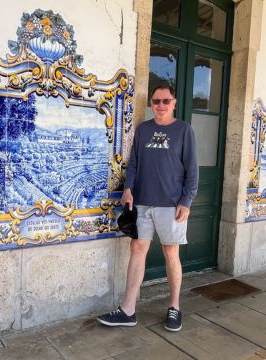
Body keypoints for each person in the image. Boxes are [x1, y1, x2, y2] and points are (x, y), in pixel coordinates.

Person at [97, 84, 198, 332]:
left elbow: (192, 170)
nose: (160, 105)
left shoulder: (184, 130)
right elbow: (134, 164)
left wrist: (187, 201)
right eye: (156, 101)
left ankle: (174, 307)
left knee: (170, 252)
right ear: (151, 103)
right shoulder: (144, 130)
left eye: (166, 101)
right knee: (137, 248)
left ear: (174, 103)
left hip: (171, 205)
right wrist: (128, 188)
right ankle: (128, 310)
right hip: (142, 202)